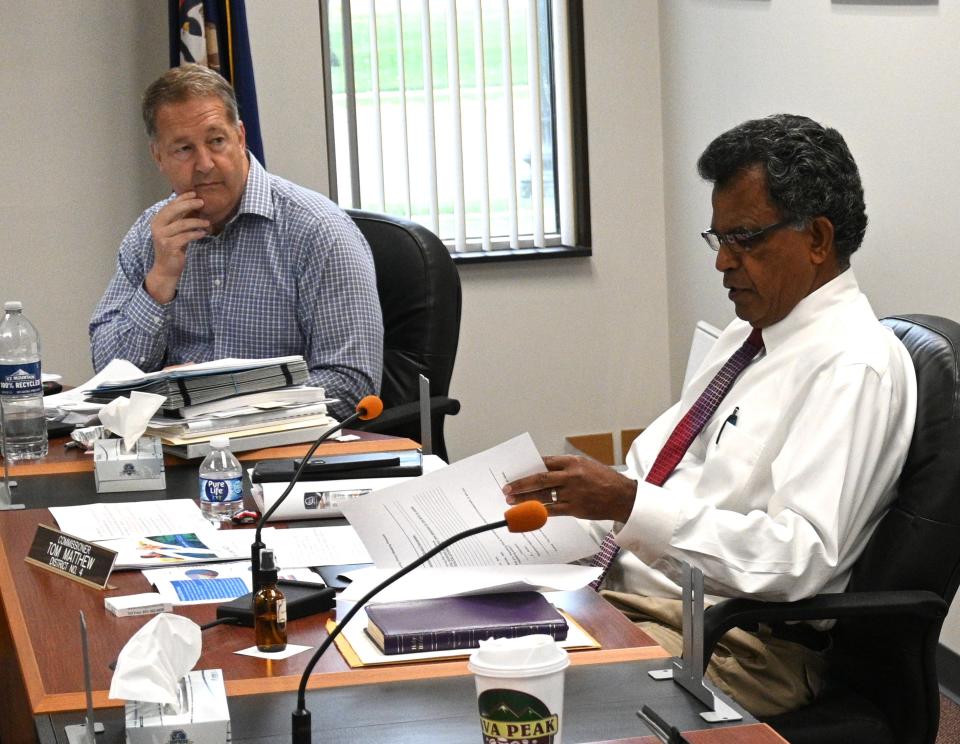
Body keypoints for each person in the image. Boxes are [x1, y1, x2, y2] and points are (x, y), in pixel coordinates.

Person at [503, 114, 917, 717]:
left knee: (523, 700)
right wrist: (556, 512)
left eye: (744, 239)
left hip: (735, 644)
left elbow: (797, 560)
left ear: (818, 239)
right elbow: (654, 475)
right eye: (717, 238)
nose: (723, 263)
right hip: (637, 595)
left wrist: (623, 501)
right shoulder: (748, 333)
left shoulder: (852, 366)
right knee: (455, 637)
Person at [89, 64, 383, 420]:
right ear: (158, 157)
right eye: (183, 148)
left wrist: (222, 402)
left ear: (240, 137)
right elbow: (108, 376)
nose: (205, 164)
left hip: (285, 457)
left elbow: (352, 384)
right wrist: (160, 281)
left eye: (216, 141)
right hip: (174, 454)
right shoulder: (149, 236)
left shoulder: (318, 230)